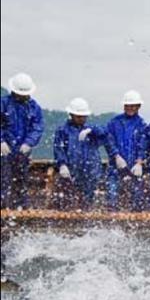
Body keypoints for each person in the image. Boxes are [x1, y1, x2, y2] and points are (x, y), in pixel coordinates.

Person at [53, 98, 107, 209]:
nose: (82, 119)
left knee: (87, 201)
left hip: (90, 172)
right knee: (67, 200)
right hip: (71, 171)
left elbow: (105, 134)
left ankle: (85, 221)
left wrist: (91, 130)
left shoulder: (91, 131)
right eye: (79, 116)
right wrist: (62, 164)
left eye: (84, 116)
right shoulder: (62, 130)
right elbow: (58, 149)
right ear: (71, 114)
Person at [0, 73, 44, 209]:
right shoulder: (3, 103)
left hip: (22, 152)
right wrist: (1, 141)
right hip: (3, 151)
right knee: (3, 180)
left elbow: (37, 127)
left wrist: (28, 143)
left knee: (21, 181)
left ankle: (20, 210)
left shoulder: (34, 107)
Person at [105, 90, 147, 211]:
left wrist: (139, 162)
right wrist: (116, 156)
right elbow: (109, 140)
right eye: (128, 105)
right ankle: (111, 222)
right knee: (112, 194)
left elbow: (143, 145)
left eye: (133, 106)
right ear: (124, 106)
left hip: (134, 166)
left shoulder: (142, 125)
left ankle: (135, 224)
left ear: (139, 106)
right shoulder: (114, 122)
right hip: (116, 165)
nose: (130, 108)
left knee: (137, 197)